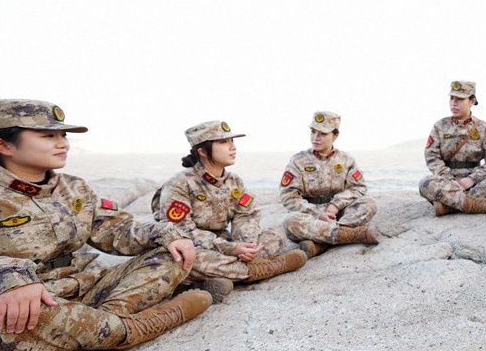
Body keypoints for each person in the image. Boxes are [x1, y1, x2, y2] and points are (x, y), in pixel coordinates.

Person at [0, 100, 212, 351]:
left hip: (80, 291)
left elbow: (115, 229)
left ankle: (74, 347)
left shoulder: (73, 188)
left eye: (63, 135)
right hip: (15, 316)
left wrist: (165, 233)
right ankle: (147, 324)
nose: (63, 144)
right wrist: (6, 279)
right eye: (48, 136)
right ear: (3, 145)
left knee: (171, 256)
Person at [152, 121, 307, 303]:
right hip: (194, 247)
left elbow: (246, 215)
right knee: (190, 259)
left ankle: (213, 280)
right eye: (223, 142)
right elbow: (181, 232)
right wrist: (232, 249)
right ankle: (265, 268)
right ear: (203, 151)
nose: (233, 147)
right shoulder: (179, 184)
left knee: (276, 235)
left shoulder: (234, 182)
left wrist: (246, 245)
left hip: (226, 246)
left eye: (232, 141)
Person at [280, 112, 379, 256]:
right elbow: (288, 196)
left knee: (369, 203)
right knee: (289, 221)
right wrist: (318, 214)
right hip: (311, 216)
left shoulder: (346, 160)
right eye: (313, 131)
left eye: (323, 133)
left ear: (335, 136)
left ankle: (320, 245)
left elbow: (358, 187)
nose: (316, 137)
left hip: (339, 215)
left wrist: (335, 206)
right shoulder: (298, 160)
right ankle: (348, 235)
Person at [419, 81, 486, 216]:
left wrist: (473, 179)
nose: (454, 103)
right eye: (452, 98)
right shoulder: (440, 126)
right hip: (448, 181)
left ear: (472, 101)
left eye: (460, 99)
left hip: (477, 181)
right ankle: (480, 205)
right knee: (425, 183)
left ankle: (449, 206)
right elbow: (432, 157)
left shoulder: (483, 128)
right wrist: (449, 179)